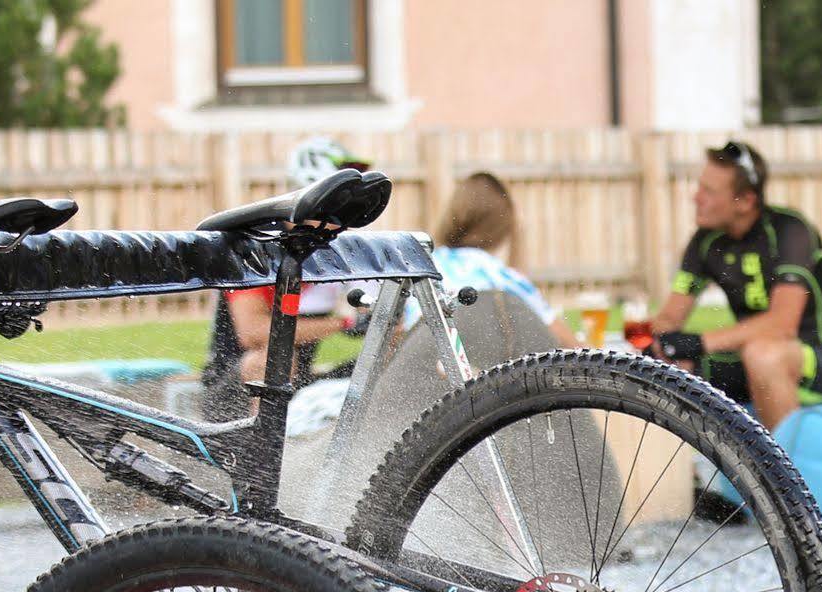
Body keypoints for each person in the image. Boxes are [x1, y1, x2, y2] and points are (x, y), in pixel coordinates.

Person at [647, 140, 822, 429]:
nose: (696, 197)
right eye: (699, 186)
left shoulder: (790, 230)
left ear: (746, 200)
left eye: (709, 191)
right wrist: (661, 344)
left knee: (763, 354)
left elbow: (782, 324)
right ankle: (692, 471)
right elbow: (668, 318)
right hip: (750, 361)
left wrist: (698, 342)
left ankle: (782, 473)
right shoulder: (705, 241)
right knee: (668, 370)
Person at [200, 136, 372, 421]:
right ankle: (264, 451)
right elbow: (253, 332)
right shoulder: (257, 244)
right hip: (235, 389)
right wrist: (344, 323)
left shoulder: (336, 246)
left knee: (394, 356)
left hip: (299, 382)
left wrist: (388, 326)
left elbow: (376, 309)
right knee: (271, 359)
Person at [407, 171, 578, 348]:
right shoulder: (502, 279)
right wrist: (519, 234)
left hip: (424, 365)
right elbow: (576, 350)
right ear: (504, 225)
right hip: (486, 372)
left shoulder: (422, 268)